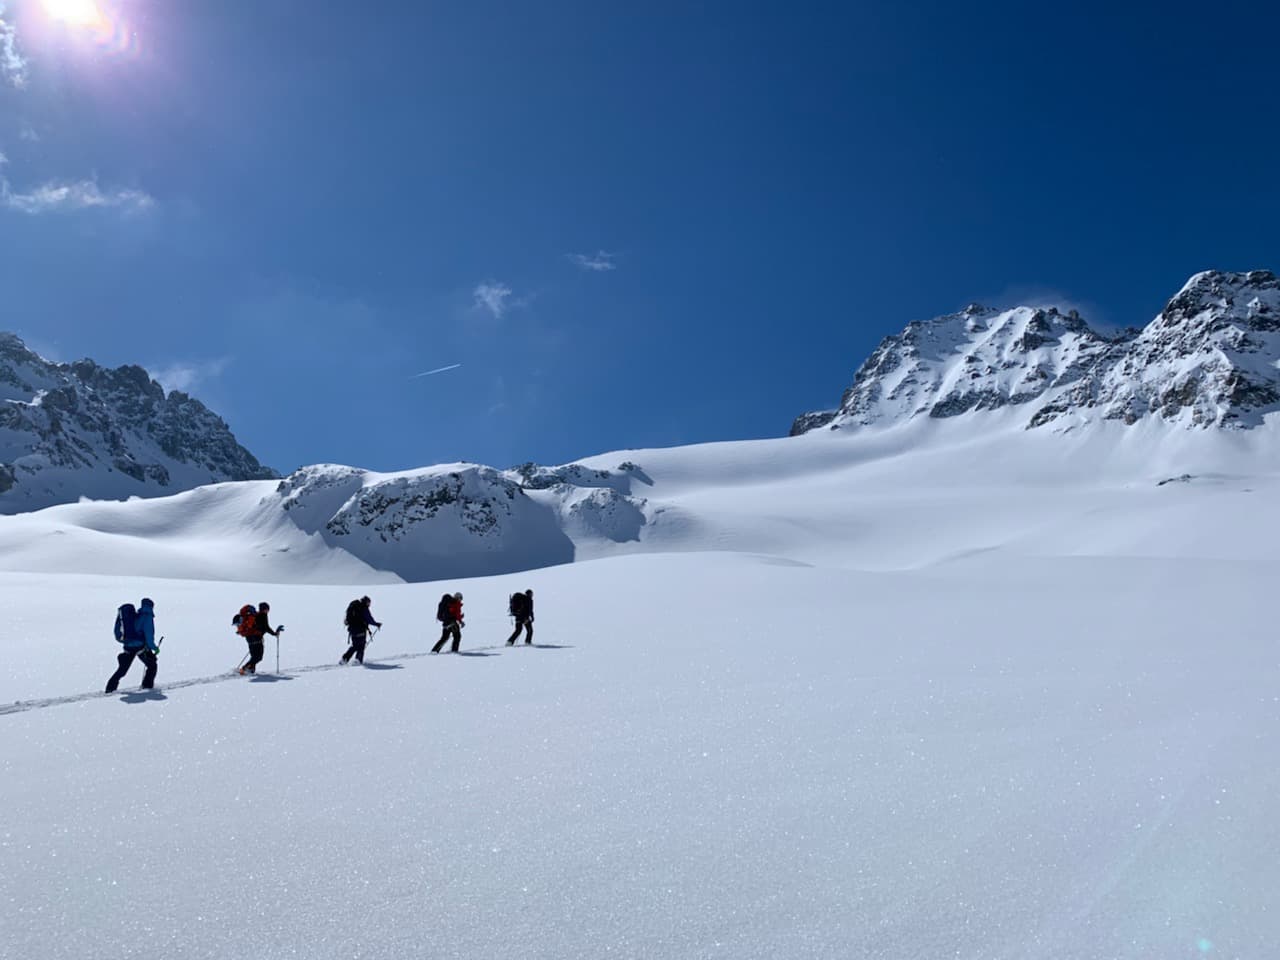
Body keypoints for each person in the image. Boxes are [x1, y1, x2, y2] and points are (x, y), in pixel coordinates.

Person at [106, 598, 159, 693]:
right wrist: (155, 648)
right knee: (152, 666)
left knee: (122, 670)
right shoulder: (147, 617)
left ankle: (110, 688)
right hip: (139, 647)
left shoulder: (136, 615)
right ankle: (147, 687)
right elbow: (149, 636)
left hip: (128, 646)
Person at [239, 601, 282, 675]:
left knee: (254, 656)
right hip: (256, 638)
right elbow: (266, 627)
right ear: (265, 609)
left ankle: (250, 671)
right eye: (267, 609)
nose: (268, 611)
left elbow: (260, 627)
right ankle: (244, 669)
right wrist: (274, 634)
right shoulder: (263, 615)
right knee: (258, 657)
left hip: (249, 638)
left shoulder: (256, 615)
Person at [341, 596, 382, 665]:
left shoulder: (355, 605)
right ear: (366, 602)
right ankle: (358, 661)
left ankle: (344, 659)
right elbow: (369, 619)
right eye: (369, 603)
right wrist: (376, 624)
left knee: (355, 645)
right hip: (361, 630)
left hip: (352, 630)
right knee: (361, 646)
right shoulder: (364, 608)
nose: (369, 605)